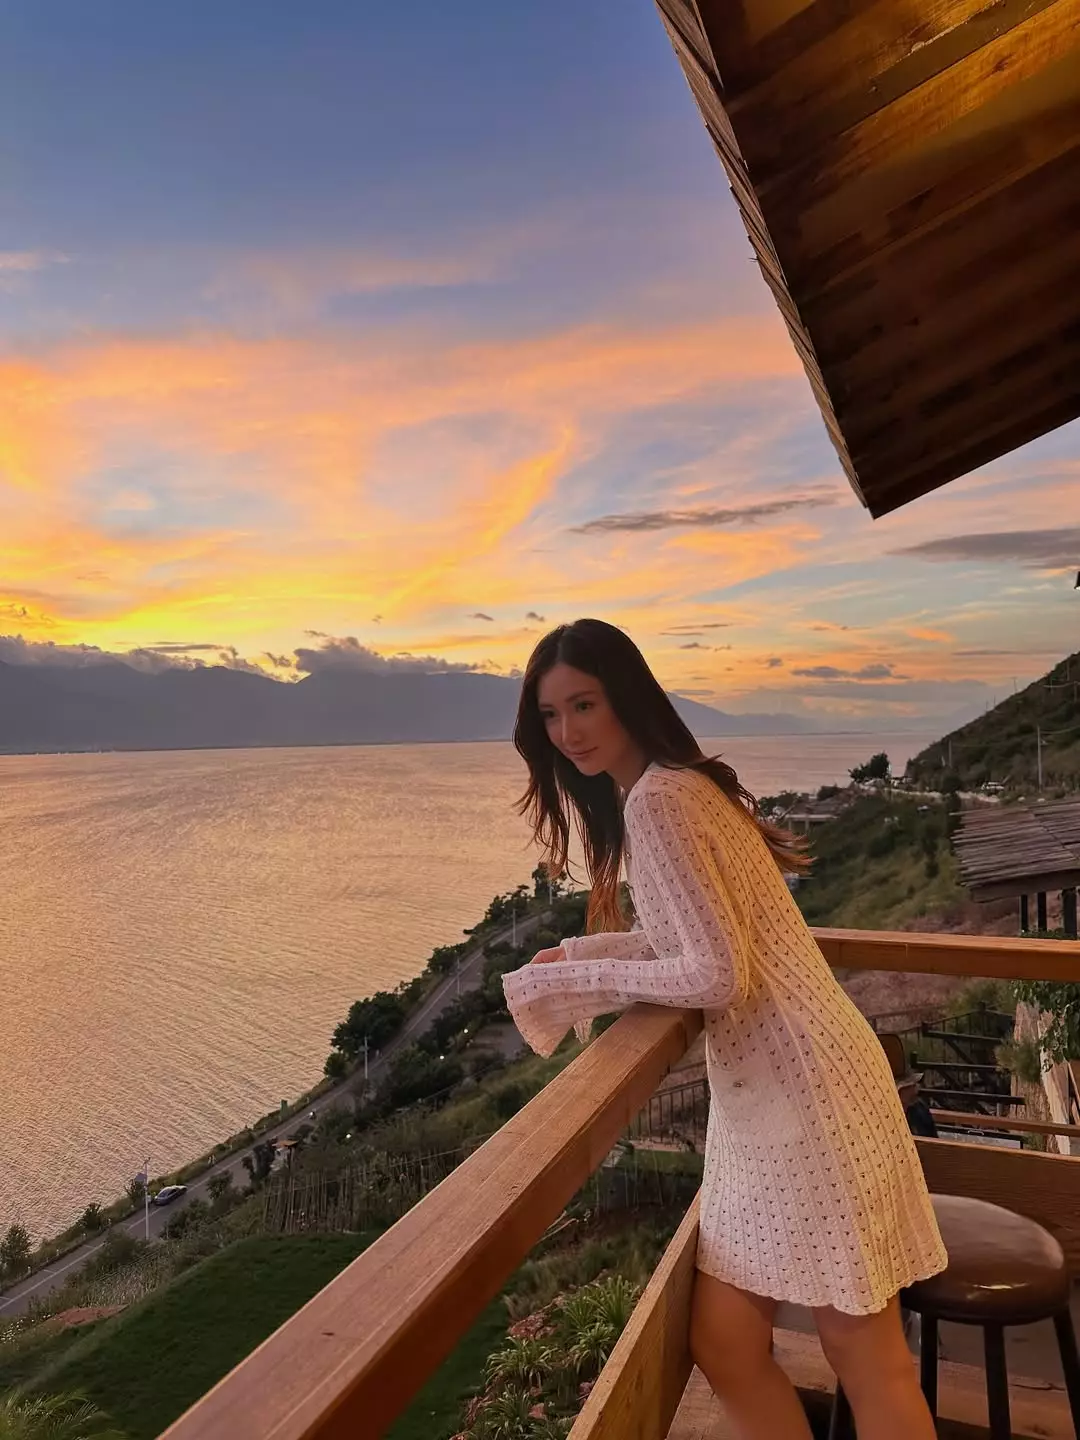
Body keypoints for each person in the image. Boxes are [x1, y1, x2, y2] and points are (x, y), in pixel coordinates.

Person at [501, 619, 946, 1440]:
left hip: (803, 1091)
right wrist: (579, 958)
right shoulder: (676, 786)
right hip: (786, 1088)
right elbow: (697, 938)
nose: (567, 733)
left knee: (864, 1353)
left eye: (584, 705)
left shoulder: (660, 801)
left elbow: (715, 975)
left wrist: (581, 981)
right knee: (726, 1340)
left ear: (626, 696)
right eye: (551, 715)